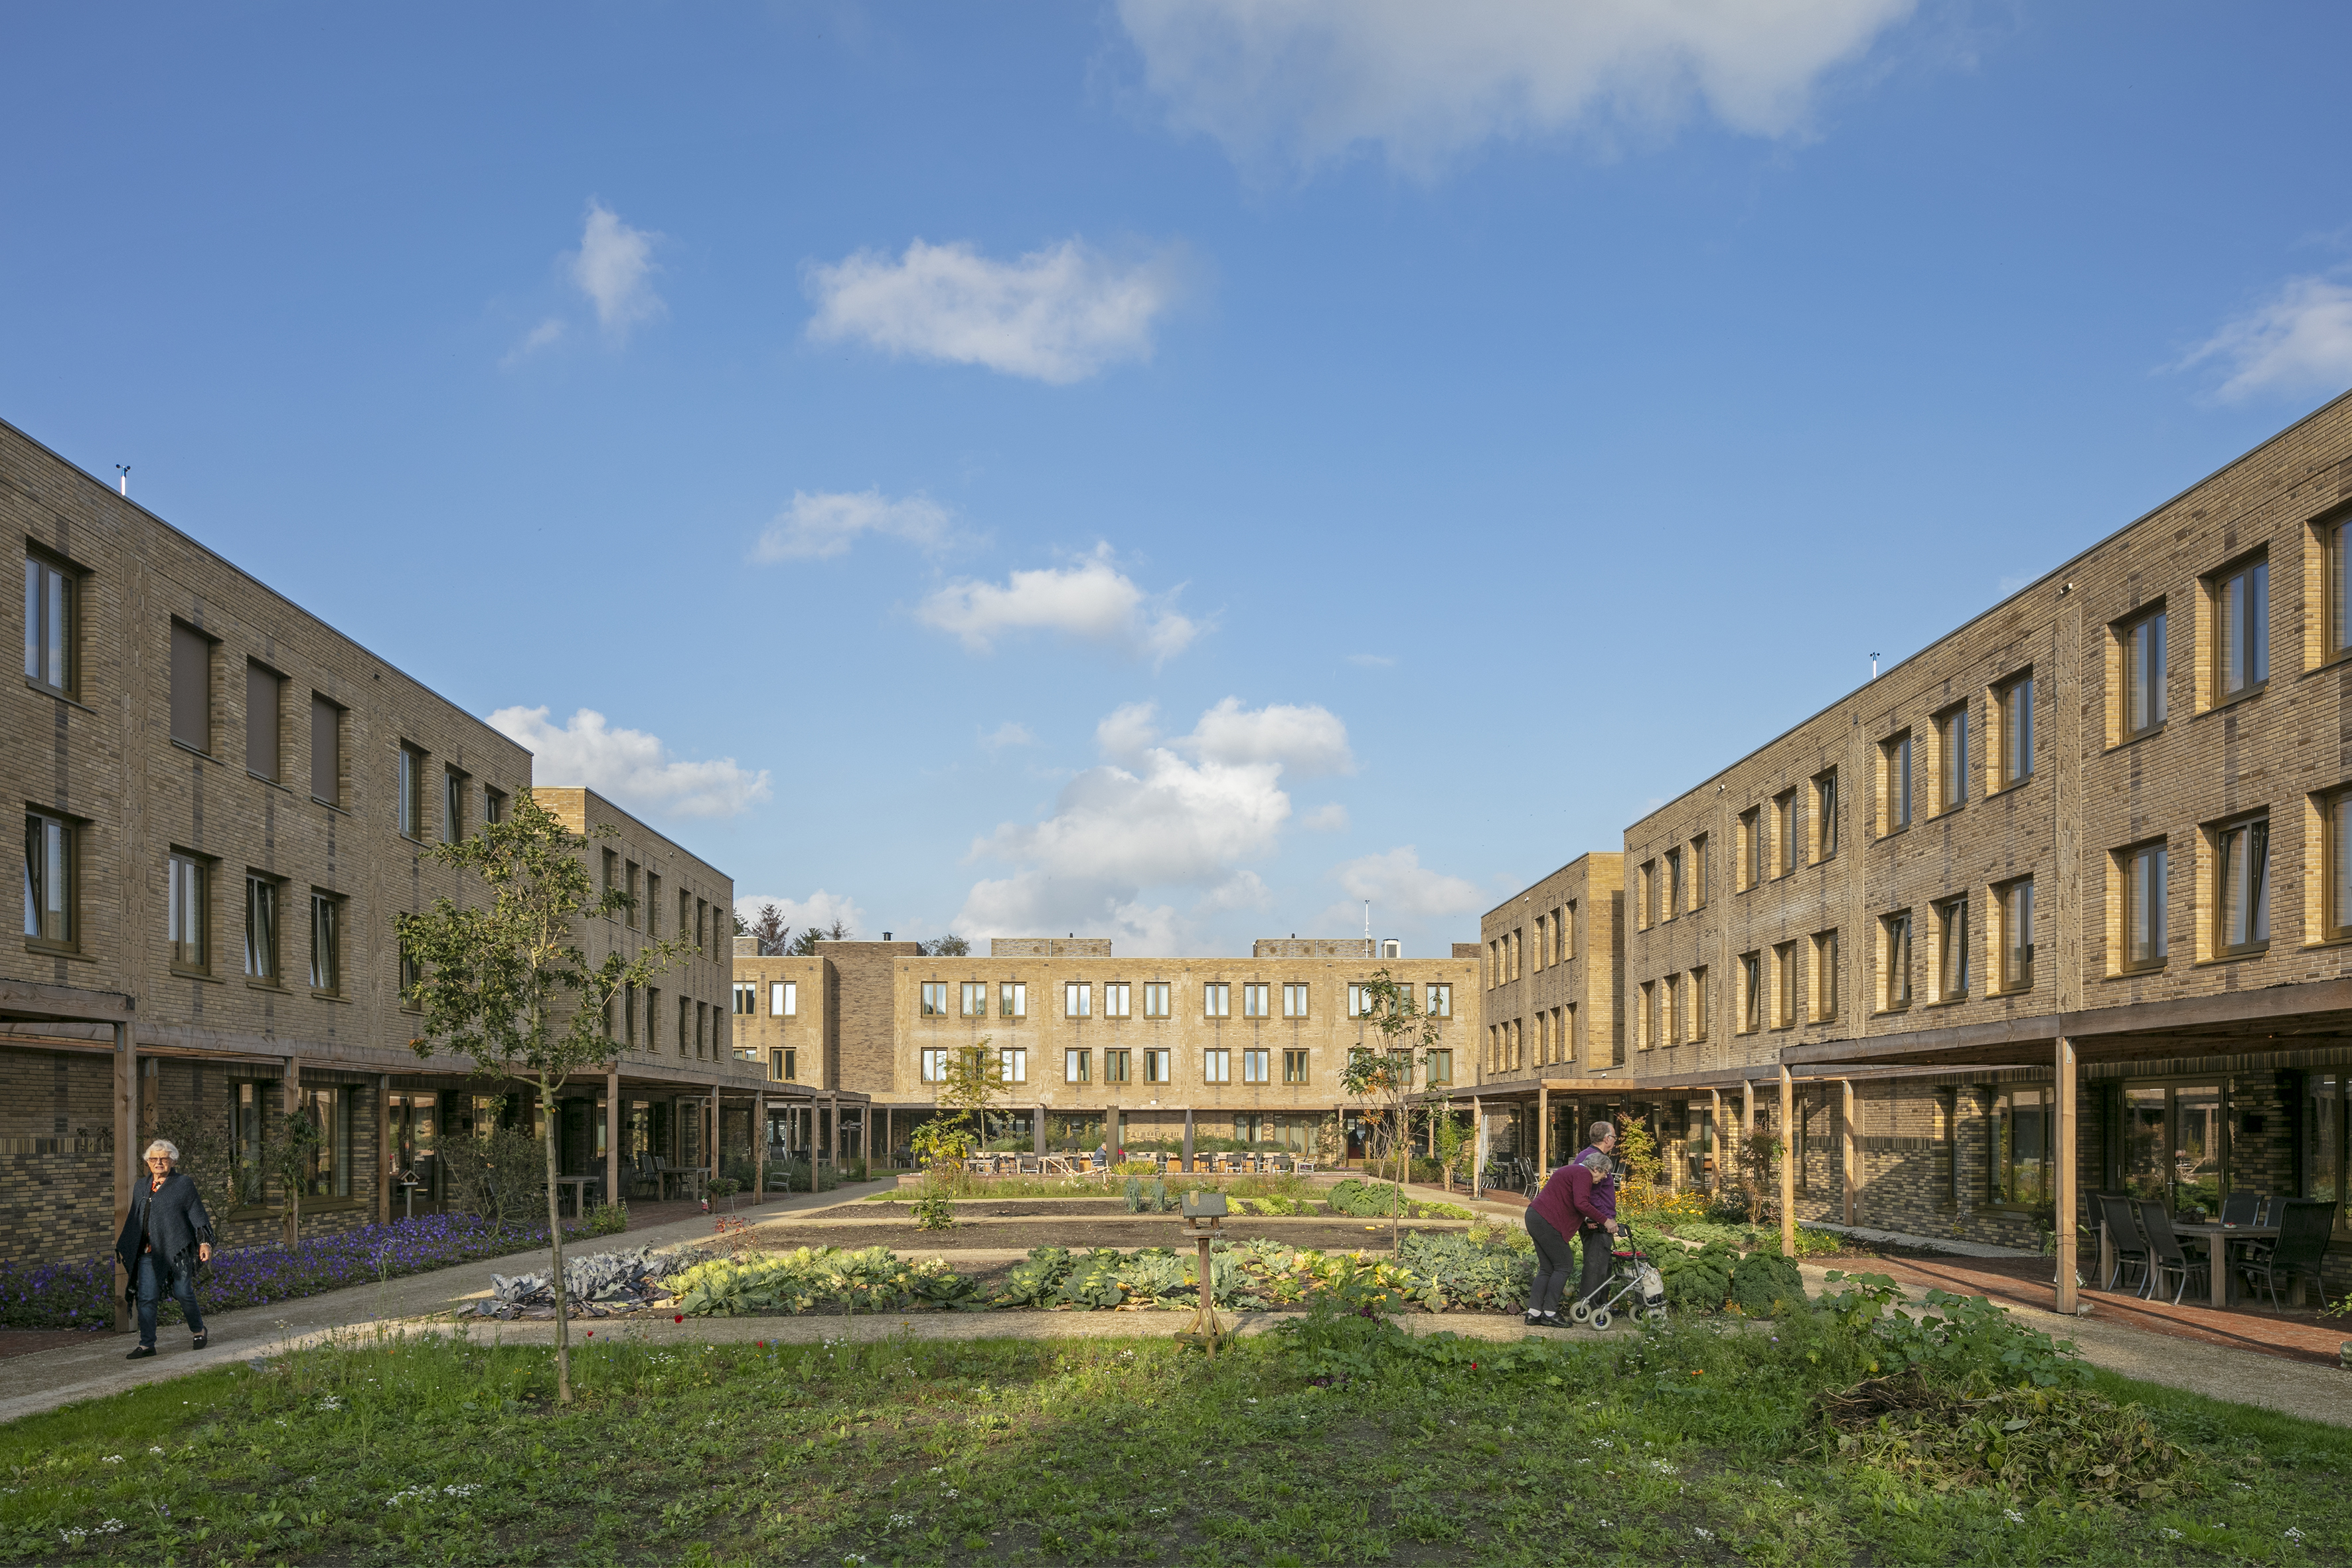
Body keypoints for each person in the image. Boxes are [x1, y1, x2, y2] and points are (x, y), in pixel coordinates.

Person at [113, 1138, 214, 1359]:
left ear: (173, 1161)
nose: (159, 1162)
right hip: (148, 1252)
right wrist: (128, 1244)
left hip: (178, 1251)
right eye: (154, 1158)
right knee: (146, 1297)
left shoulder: (183, 1184)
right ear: (148, 1162)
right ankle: (147, 1344)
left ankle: (199, 1330)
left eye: (164, 1158)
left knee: (183, 1292)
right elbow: (135, 1218)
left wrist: (204, 1242)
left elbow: (197, 1213)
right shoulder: (141, 1186)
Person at [1566, 1122, 1625, 1324]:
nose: (1615, 1141)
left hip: (1602, 1220)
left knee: (1604, 1265)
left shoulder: (1589, 1156)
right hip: (1597, 1222)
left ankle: (1602, 1306)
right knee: (1595, 1264)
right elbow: (1585, 1193)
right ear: (1607, 1139)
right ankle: (1589, 1308)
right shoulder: (1591, 1160)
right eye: (1614, 1137)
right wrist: (1592, 1218)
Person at [1523, 1142, 1586, 1327]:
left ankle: (1534, 1313)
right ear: (1596, 1168)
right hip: (1544, 1220)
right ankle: (1550, 1312)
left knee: (1547, 1268)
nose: (1604, 1177)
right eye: (1604, 1172)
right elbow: (1581, 1204)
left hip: (1534, 1215)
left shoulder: (1570, 1171)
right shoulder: (1583, 1174)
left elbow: (1572, 1203)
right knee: (1564, 1264)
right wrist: (1605, 1220)